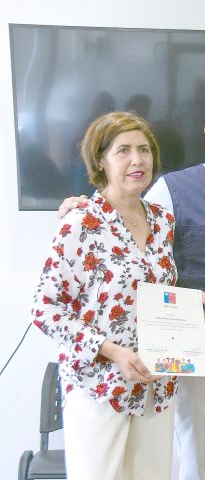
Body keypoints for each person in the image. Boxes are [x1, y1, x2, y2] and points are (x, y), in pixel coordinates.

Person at [60, 85, 205, 480]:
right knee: (199, 472)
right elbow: (128, 229)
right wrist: (84, 205)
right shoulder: (172, 191)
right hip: (202, 366)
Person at [32, 111, 177, 480]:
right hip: (98, 386)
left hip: (155, 385)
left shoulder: (163, 222)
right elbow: (45, 309)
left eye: (144, 150)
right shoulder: (80, 222)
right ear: (101, 161)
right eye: (123, 150)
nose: (137, 160)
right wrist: (112, 351)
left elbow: (158, 291)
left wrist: (190, 313)